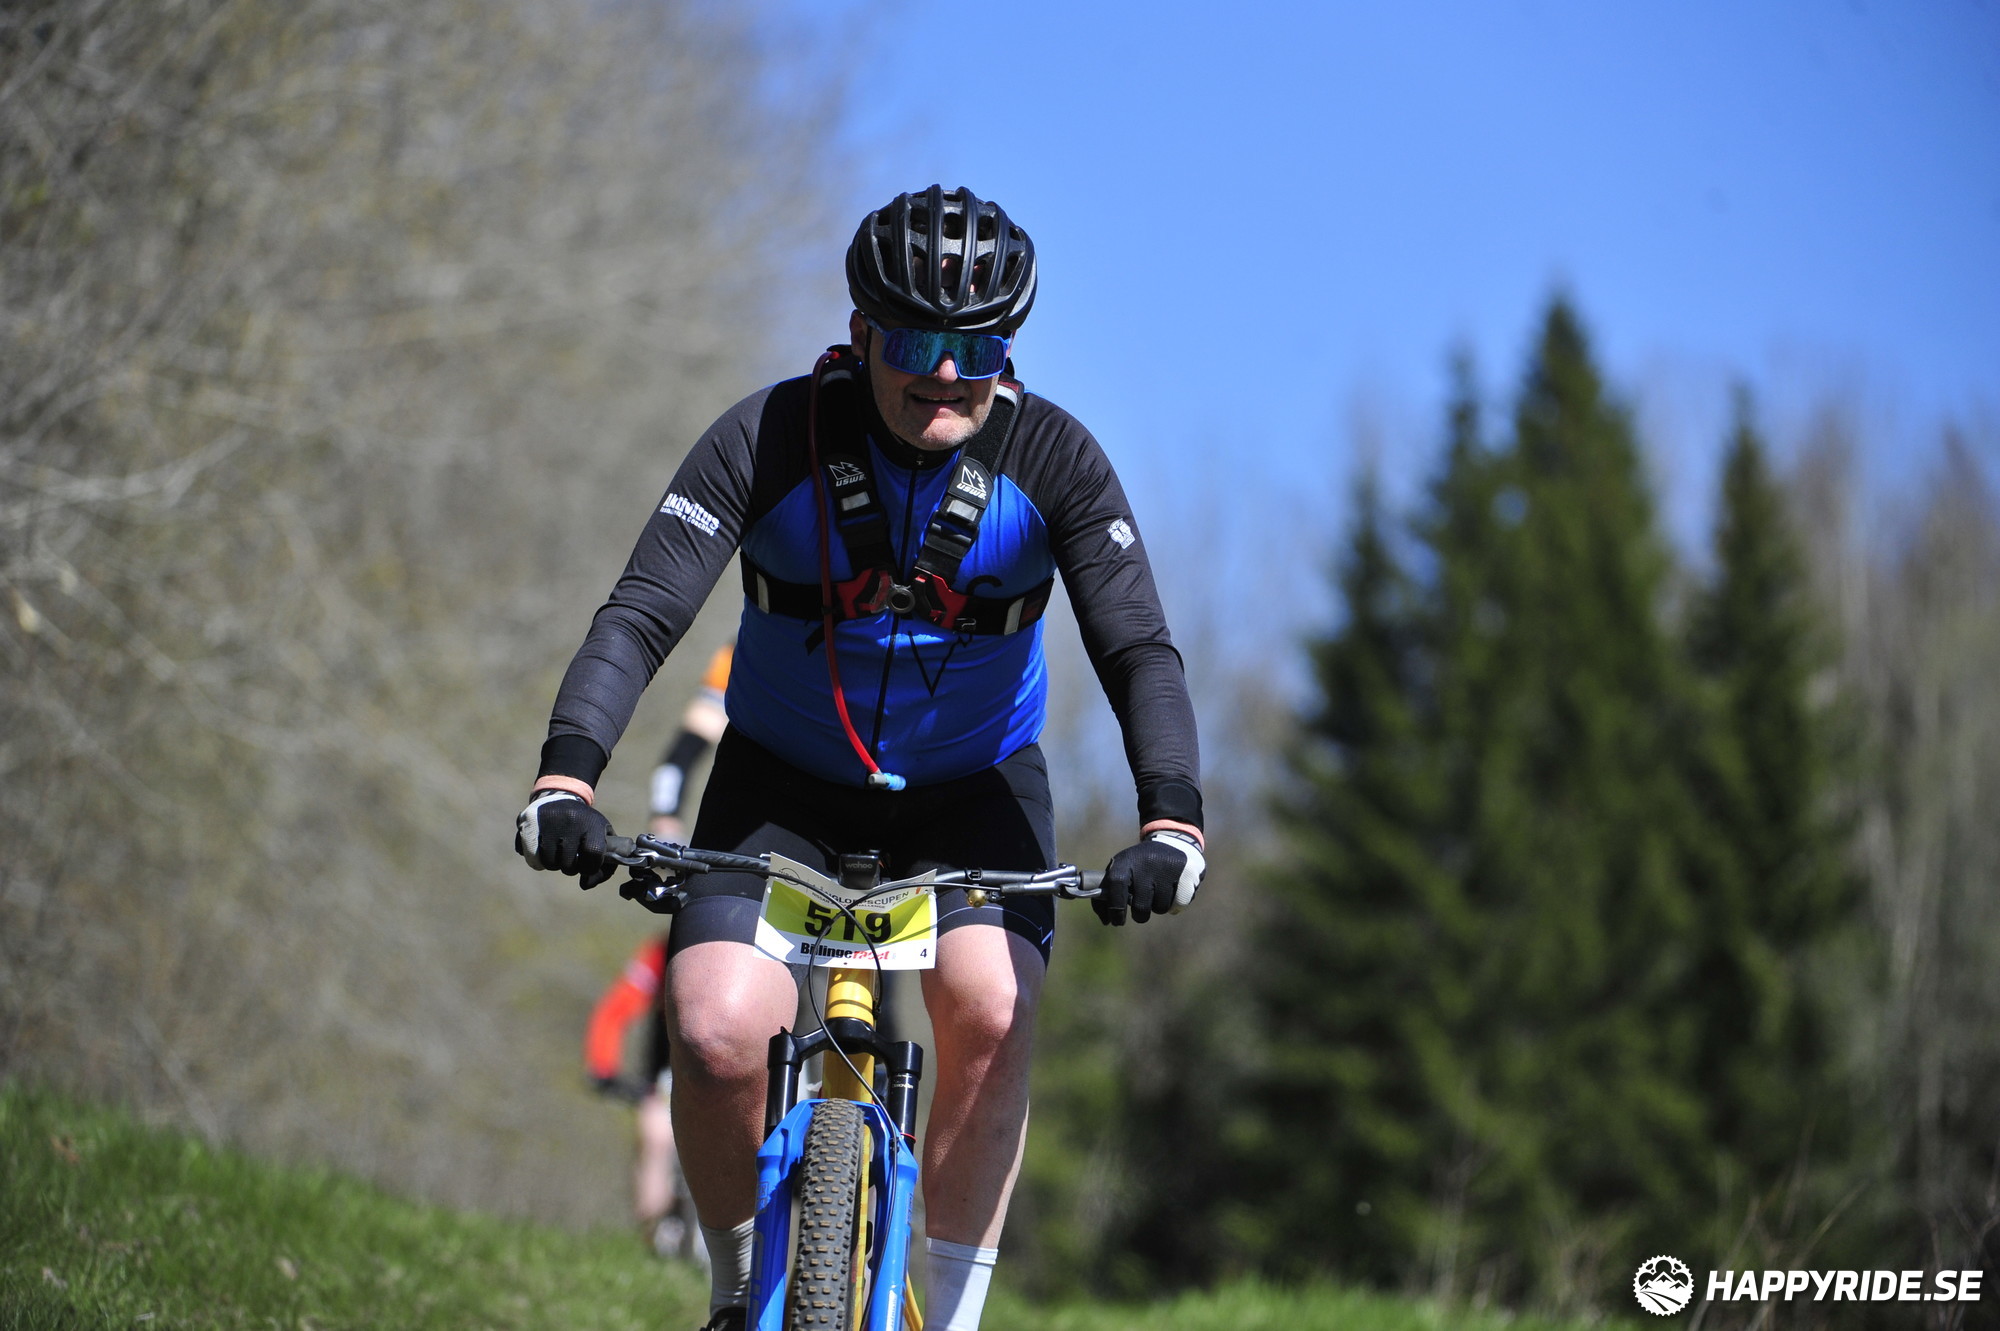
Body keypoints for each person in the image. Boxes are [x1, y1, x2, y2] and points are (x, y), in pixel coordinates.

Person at [516, 185, 1205, 1331]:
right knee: (714, 1028)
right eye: (916, 345)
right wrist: (566, 776)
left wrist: (1169, 818)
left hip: (972, 789)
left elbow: (1137, 647)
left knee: (990, 1005)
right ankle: (734, 1294)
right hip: (779, 783)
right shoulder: (767, 437)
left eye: (978, 348)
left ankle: (957, 1314)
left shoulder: (1056, 461)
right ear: (859, 333)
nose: (946, 373)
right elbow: (641, 612)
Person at [581, 641, 734, 1259]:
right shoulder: (738, 655)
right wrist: (666, 820)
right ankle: (653, 1238)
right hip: (665, 1056)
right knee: (654, 1128)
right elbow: (679, 757)